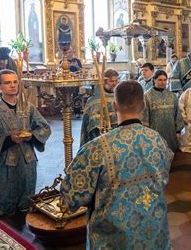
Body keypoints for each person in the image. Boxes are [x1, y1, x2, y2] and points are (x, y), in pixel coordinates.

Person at [61, 81, 173, 249]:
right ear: (143, 105)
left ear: (114, 106)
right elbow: (164, 175)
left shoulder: (97, 147)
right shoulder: (158, 139)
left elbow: (72, 197)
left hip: (115, 238)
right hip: (153, 229)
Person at [0, 70, 51, 215]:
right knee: (2, 206)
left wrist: (32, 136)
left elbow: (45, 128)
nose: (12, 86)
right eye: (8, 82)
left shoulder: (29, 108)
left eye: (15, 82)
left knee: (25, 205)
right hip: (5, 166)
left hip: (28, 162)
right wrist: (9, 139)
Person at [143, 70, 184, 152]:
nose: (163, 82)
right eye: (160, 80)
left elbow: (177, 114)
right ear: (154, 80)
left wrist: (178, 131)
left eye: (165, 80)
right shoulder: (147, 96)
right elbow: (144, 116)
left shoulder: (172, 96)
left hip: (171, 134)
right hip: (154, 134)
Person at [80, 69, 120, 146]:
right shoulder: (94, 100)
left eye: (116, 81)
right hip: (100, 139)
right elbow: (93, 126)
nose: (114, 84)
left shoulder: (121, 96)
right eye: (111, 81)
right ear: (104, 82)